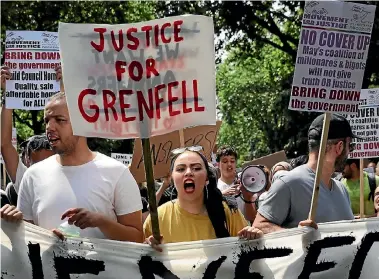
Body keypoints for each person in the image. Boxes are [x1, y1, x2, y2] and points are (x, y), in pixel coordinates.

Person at [17, 91, 143, 242]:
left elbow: (137, 238)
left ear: (82, 124)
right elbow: (24, 240)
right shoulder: (32, 176)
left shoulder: (116, 173)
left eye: (60, 120)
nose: (50, 127)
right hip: (49, 265)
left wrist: (101, 222)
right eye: (47, 121)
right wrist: (45, 238)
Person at [144, 147, 263, 251]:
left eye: (196, 168)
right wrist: (146, 248)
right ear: (172, 178)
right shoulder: (156, 219)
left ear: (207, 178)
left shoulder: (228, 212)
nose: (188, 173)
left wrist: (254, 238)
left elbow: (248, 254)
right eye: (180, 169)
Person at [253, 114, 355, 233]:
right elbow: (259, 226)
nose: (350, 152)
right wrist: (297, 235)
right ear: (339, 147)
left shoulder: (342, 189)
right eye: (350, 146)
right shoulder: (288, 183)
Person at [1, 66, 54, 204]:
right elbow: (5, 144)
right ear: (26, 161)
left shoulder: (71, 173)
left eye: (49, 164)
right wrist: (9, 95)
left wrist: (63, 91)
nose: (43, 171)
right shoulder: (25, 180)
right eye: (37, 165)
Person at [216, 146, 257, 222]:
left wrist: (247, 196)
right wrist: (221, 195)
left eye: (232, 161)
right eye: (225, 161)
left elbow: (251, 217)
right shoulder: (215, 188)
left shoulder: (244, 184)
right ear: (218, 164)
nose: (229, 164)